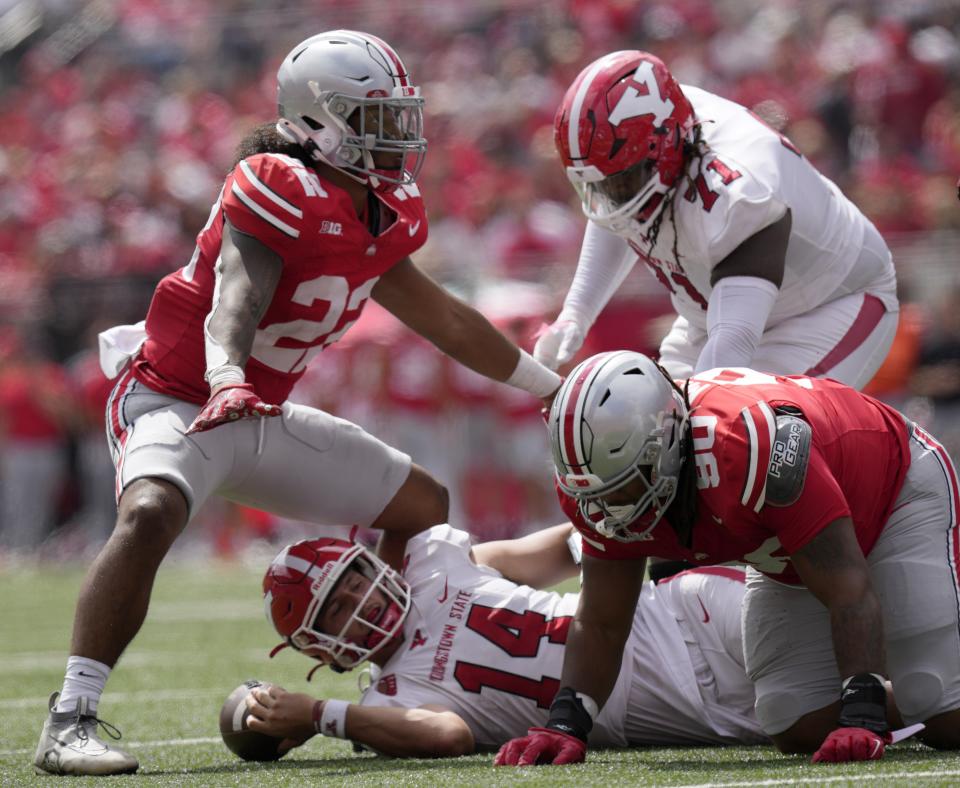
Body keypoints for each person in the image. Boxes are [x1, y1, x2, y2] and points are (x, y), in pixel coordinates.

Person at [33, 30, 561, 777]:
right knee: (150, 511)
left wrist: (551, 388)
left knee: (422, 505)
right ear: (317, 123)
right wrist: (225, 377)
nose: (399, 137)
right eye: (375, 119)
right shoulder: (274, 181)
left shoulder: (387, 209)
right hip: (179, 398)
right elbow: (235, 298)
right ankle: (70, 719)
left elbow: (444, 318)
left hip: (255, 414)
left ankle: (401, 664)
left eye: (398, 117)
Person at [497, 350, 960, 767]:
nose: (610, 508)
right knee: (792, 717)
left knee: (940, 707)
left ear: (667, 441)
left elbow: (847, 587)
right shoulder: (595, 491)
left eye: (625, 484)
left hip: (894, 494)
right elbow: (601, 619)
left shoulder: (755, 446)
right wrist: (565, 722)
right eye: (600, 491)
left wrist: (863, 708)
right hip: (788, 548)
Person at [533, 51, 899, 390]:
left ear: (665, 151)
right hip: (711, 313)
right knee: (647, 440)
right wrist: (576, 313)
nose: (611, 197)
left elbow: (730, 349)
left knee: (734, 434)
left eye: (620, 182)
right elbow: (619, 213)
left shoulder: (740, 194)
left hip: (831, 304)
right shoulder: (657, 128)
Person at [246, 524, 766, 756]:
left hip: (677, 615)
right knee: (812, 725)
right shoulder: (390, 700)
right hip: (683, 710)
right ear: (320, 647)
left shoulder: (435, 563)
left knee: (839, 648)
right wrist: (321, 716)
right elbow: (448, 735)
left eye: (354, 578)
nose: (361, 597)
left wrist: (594, 540)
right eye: (337, 607)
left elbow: (563, 546)